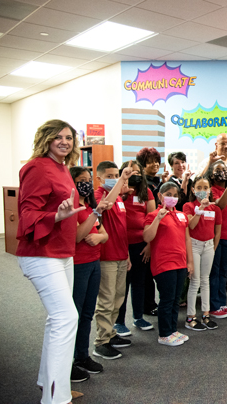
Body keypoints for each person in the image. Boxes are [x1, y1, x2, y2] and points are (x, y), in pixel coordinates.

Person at [16, 119, 85, 404]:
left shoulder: (63, 168)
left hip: (62, 252)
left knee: (56, 320)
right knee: (66, 318)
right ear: (45, 139)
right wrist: (56, 216)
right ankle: (57, 399)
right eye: (58, 137)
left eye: (69, 138)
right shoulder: (36, 167)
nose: (64, 142)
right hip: (40, 253)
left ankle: (50, 384)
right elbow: (27, 213)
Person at [70, 166, 110, 382]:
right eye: (80, 180)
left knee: (87, 312)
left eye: (88, 180)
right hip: (78, 265)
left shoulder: (90, 208)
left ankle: (82, 356)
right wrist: (93, 231)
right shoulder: (73, 209)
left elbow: (103, 233)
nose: (85, 184)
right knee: (73, 314)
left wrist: (99, 237)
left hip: (94, 262)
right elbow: (78, 236)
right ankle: (67, 362)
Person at [92, 160, 136, 360]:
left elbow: (121, 228)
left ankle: (110, 334)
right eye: (109, 176)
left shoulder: (120, 198)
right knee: (107, 300)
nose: (114, 179)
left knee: (118, 298)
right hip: (106, 256)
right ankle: (101, 342)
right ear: (99, 178)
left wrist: (126, 254)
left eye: (115, 175)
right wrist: (121, 181)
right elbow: (105, 205)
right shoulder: (99, 195)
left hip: (120, 254)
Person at [143, 182, 194, 346]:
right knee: (167, 299)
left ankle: (172, 329)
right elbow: (147, 237)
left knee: (175, 300)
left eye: (175, 195)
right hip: (164, 263)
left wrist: (190, 262)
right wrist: (158, 218)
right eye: (168, 194)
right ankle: (164, 333)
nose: (172, 198)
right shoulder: (153, 215)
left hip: (180, 263)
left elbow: (186, 239)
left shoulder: (181, 215)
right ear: (160, 196)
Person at [198, 134, 227, 297]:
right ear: (216, 145)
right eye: (223, 143)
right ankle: (212, 297)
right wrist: (210, 164)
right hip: (212, 225)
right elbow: (198, 183)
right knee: (214, 264)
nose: (226, 146)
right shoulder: (206, 162)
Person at [114, 161, 156, 337]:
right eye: (131, 172)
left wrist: (149, 245)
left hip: (141, 245)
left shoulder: (146, 192)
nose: (135, 175)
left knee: (139, 282)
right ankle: (119, 322)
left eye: (138, 172)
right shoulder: (117, 192)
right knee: (122, 285)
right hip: (121, 244)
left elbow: (152, 219)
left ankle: (138, 317)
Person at [183, 176, 222, 331]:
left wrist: (212, 247)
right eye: (198, 188)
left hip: (209, 245)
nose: (202, 191)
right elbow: (191, 226)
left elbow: (217, 232)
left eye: (205, 188)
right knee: (195, 281)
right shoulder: (188, 206)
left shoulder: (216, 209)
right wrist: (200, 210)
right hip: (194, 245)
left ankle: (206, 315)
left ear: (210, 190)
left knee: (205, 280)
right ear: (193, 190)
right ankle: (190, 317)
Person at [207, 161, 227, 318]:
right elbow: (220, 205)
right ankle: (213, 305)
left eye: (224, 170)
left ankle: (222, 302)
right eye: (218, 170)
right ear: (212, 174)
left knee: (223, 271)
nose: (222, 173)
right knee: (215, 271)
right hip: (215, 237)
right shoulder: (212, 190)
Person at [134, 148, 161, 316]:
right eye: (149, 161)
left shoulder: (156, 183)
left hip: (154, 233)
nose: (154, 164)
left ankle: (150, 304)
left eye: (156, 160)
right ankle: (144, 307)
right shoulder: (139, 186)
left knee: (151, 274)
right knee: (141, 278)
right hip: (137, 238)